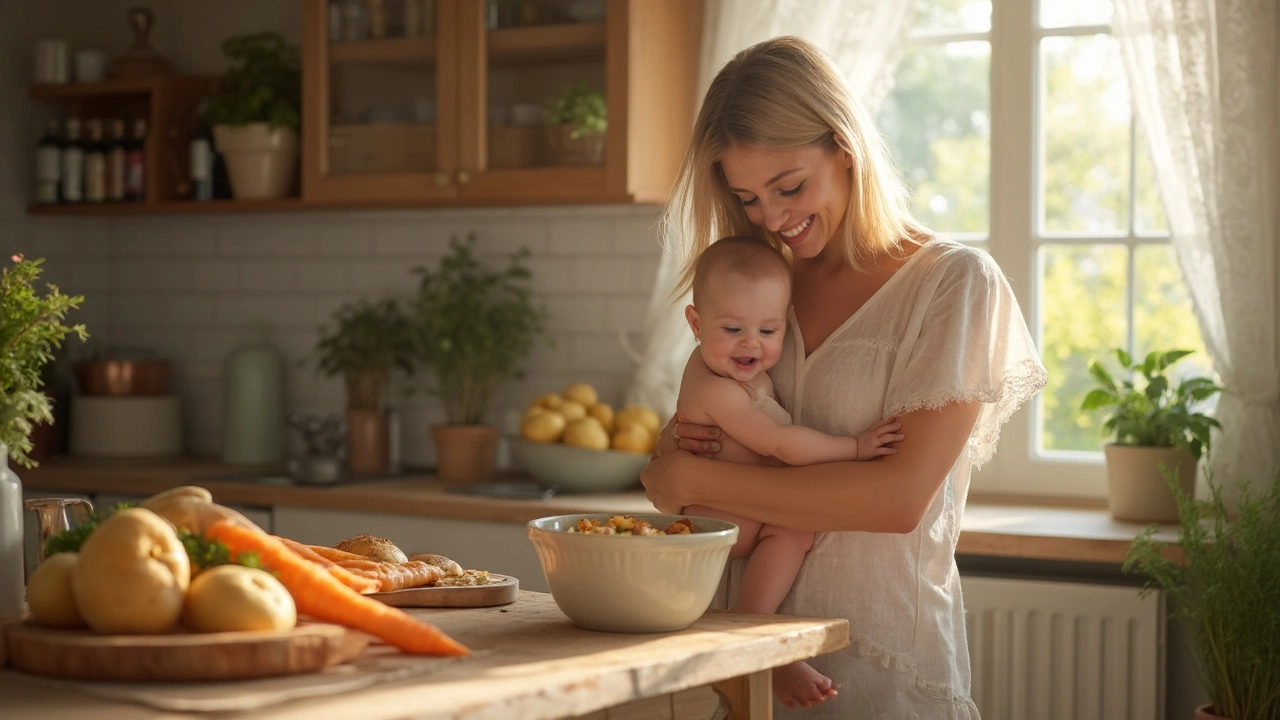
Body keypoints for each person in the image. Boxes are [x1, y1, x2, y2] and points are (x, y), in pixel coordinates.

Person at [642, 36, 1047, 718]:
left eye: (789, 186)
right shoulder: (755, 291)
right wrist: (677, 467)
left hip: (886, 671)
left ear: (844, 145)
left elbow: (894, 500)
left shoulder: (952, 283)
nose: (772, 218)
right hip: (750, 672)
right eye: (747, 198)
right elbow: (678, 455)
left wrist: (694, 481)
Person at [676, 235, 904, 708]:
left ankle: (756, 632)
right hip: (716, 521)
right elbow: (780, 443)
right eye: (733, 328)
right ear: (696, 323)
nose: (751, 344)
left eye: (768, 330)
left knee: (792, 524)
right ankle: (756, 630)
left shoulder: (729, 369)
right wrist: (855, 446)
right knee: (795, 526)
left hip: (727, 507)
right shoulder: (715, 387)